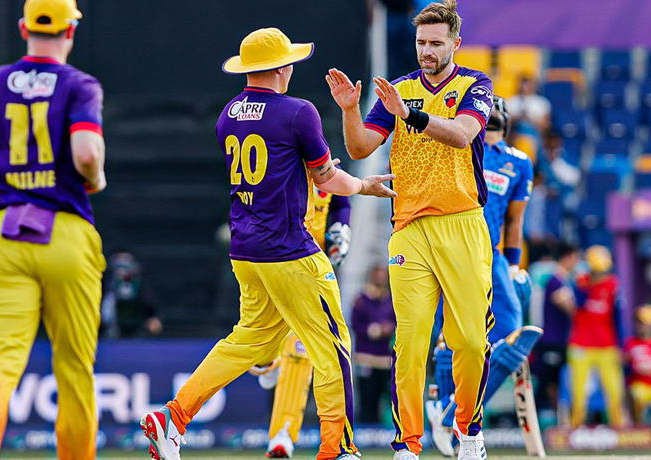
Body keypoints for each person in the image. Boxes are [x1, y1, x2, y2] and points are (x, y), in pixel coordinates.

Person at [139, 27, 396, 460]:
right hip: (290, 248)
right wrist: (363, 185)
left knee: (250, 341)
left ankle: (173, 417)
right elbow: (326, 178)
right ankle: (338, 448)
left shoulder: (227, 115)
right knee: (332, 346)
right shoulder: (298, 112)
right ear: (281, 68)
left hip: (246, 250)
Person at [326, 1, 495, 458]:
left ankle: (469, 432)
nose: (427, 51)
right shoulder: (399, 89)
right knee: (411, 340)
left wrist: (410, 116)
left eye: (436, 43)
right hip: (410, 228)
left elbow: (462, 135)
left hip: (463, 224)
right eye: (422, 42)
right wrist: (350, 110)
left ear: (455, 44)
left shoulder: (474, 84)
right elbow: (360, 148)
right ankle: (407, 445)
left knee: (470, 341)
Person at [0, 0, 106, 459]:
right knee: (74, 364)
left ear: (24, 28)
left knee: (2, 355)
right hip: (65, 231)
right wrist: (96, 177)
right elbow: (86, 154)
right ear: (70, 31)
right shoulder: (80, 84)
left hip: (4, 232)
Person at [426, 95, 539, 457]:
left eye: (495, 117)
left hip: (491, 254)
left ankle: (454, 409)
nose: (491, 122)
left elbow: (515, 220)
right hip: (451, 249)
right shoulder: (458, 145)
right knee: (451, 333)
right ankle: (444, 403)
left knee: (510, 328)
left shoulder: (518, 162)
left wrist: (515, 265)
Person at [249, 189, 352, 459]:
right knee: (259, 334)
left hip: (311, 267)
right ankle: (268, 360)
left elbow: (341, 201)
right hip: (272, 260)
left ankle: (282, 433)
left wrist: (341, 230)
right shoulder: (281, 169)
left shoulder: (326, 171)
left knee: (300, 350)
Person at [568, 245, 626, 428]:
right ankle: (576, 426)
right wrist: (586, 283)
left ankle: (618, 426)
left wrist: (620, 345)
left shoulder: (613, 285)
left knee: (614, 389)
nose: (601, 275)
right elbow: (579, 303)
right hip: (580, 344)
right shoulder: (581, 282)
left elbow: (618, 317)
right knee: (579, 391)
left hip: (607, 344)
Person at [533, 243, 580, 418]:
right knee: (547, 380)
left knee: (555, 380)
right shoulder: (555, 281)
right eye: (576, 258)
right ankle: (534, 417)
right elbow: (568, 307)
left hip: (559, 339)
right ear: (568, 257)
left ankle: (556, 416)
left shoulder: (563, 280)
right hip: (551, 340)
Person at [350, 264, 396, 424]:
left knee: (386, 398)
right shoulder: (362, 300)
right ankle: (366, 430)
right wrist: (372, 330)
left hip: (385, 358)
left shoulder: (391, 300)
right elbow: (355, 323)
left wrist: (389, 328)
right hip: (366, 357)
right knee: (367, 398)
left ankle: (383, 430)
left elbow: (397, 321)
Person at [100, 252, 162, 338]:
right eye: (119, 268)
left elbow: (153, 314)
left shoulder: (143, 293)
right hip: (109, 336)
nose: (123, 274)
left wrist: (153, 319)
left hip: (136, 335)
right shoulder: (104, 292)